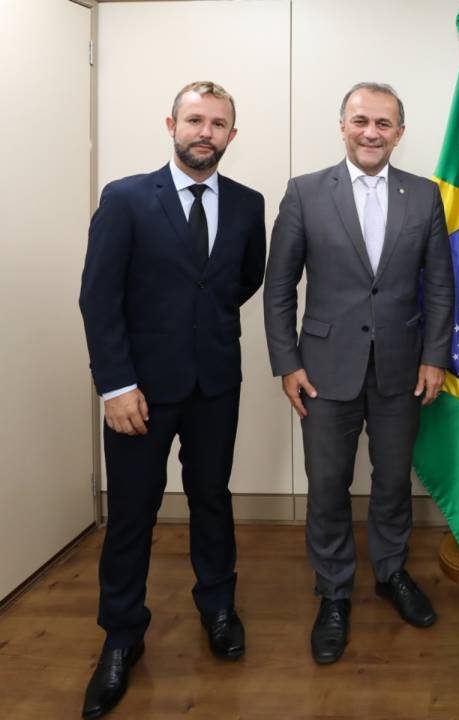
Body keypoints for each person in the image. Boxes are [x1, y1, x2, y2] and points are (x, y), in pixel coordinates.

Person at [78, 81, 265, 719]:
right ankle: (121, 637)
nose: (204, 132)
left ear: (232, 135)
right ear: (172, 124)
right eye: (194, 120)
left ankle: (217, 607)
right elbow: (98, 299)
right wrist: (116, 384)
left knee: (213, 499)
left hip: (215, 384)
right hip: (139, 392)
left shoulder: (248, 204)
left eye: (217, 123)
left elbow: (242, 280)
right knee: (132, 512)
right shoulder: (127, 199)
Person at [263, 82, 453, 665]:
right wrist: (287, 363)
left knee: (394, 482)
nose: (372, 132)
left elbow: (441, 286)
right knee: (327, 488)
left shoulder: (424, 195)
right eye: (361, 121)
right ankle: (334, 591)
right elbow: (278, 289)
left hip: (402, 366)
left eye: (384, 124)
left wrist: (435, 356)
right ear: (342, 125)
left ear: (400, 132)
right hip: (323, 371)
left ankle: (392, 572)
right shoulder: (304, 193)